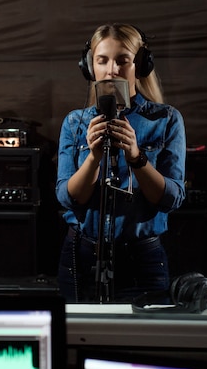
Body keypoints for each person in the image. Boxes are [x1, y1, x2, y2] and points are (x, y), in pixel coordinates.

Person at [56, 23, 186, 303]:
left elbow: (170, 198)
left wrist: (137, 157)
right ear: (89, 67)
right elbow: (69, 197)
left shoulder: (166, 119)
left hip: (142, 259)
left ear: (140, 65)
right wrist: (93, 157)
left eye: (122, 60)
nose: (112, 70)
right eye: (102, 60)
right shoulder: (75, 122)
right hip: (81, 256)